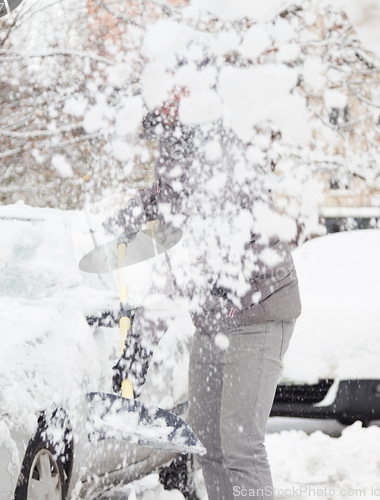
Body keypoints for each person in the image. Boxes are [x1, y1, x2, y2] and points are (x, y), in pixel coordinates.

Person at [106, 102, 301, 500]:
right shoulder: (175, 163)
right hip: (213, 322)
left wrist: (142, 343)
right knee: (207, 443)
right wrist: (139, 345)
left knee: (241, 446)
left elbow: (197, 257)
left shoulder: (222, 158)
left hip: (256, 314)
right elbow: (167, 213)